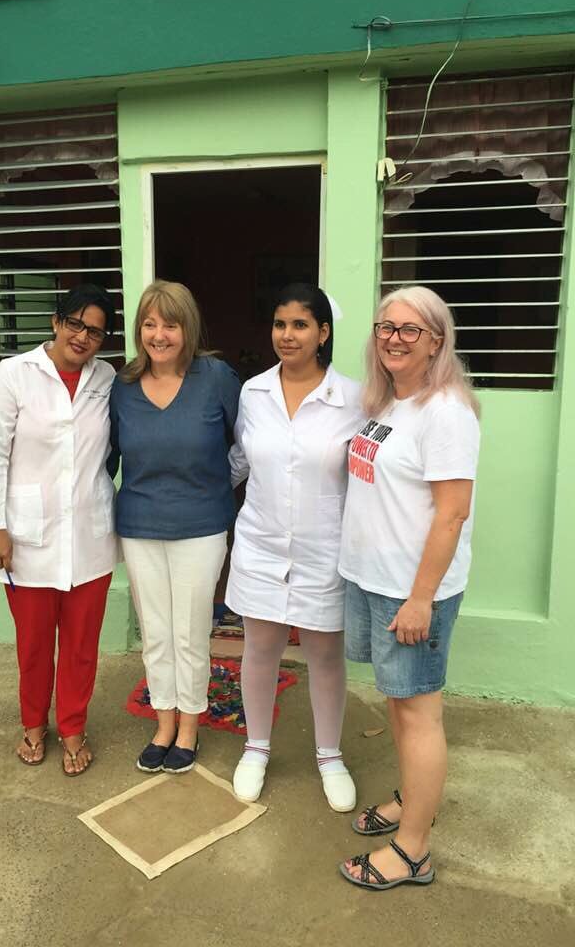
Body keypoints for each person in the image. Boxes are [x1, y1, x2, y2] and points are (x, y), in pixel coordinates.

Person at [338, 285, 480, 890]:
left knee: (419, 712)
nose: (394, 338)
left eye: (411, 330)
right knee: (399, 702)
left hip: (410, 590)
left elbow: (452, 514)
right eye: (385, 327)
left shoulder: (445, 411)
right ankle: (410, 800)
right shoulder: (390, 403)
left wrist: (421, 597)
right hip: (375, 580)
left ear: (436, 343)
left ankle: (414, 849)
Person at [225, 283, 363, 811]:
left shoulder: (353, 398)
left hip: (325, 550)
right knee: (260, 649)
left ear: (323, 333)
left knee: (324, 655)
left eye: (301, 325)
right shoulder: (253, 392)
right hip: (260, 543)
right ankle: (256, 747)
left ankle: (329, 755)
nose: (288, 335)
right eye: (280, 324)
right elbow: (241, 458)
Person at [0, 284, 118, 777]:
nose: (83, 336)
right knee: (35, 644)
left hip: (90, 536)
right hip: (26, 538)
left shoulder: (107, 379)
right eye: (75, 323)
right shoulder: (14, 374)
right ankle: (34, 724)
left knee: (81, 645)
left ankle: (74, 727)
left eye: (95, 330)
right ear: (57, 322)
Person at [109, 280, 241, 774]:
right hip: (140, 522)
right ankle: (163, 723)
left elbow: (246, 444)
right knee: (156, 632)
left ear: (188, 328)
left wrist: (213, 483)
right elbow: (107, 456)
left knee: (189, 632)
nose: (159, 335)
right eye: (149, 323)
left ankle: (189, 726)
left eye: (170, 324)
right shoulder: (121, 388)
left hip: (202, 524)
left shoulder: (215, 377)